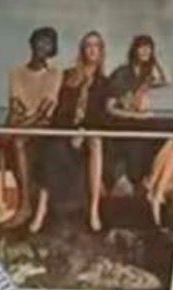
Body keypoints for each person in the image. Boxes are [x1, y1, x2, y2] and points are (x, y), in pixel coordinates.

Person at [30, 30, 108, 233]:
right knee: (51, 149)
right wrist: (71, 130)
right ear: (83, 50)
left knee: (96, 141)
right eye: (88, 45)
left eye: (96, 46)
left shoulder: (104, 83)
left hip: (88, 133)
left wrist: (82, 131)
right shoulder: (67, 76)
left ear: (101, 51)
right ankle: (41, 211)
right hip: (64, 128)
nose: (92, 50)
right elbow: (59, 109)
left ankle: (94, 210)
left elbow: (101, 116)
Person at [104, 35, 173, 225]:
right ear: (134, 49)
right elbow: (110, 108)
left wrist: (156, 60)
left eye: (148, 48)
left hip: (142, 119)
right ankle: (150, 181)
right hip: (125, 121)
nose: (145, 51)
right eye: (142, 47)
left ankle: (156, 191)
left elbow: (167, 79)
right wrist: (134, 115)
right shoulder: (122, 73)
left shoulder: (146, 74)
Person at [3, 26, 61, 227]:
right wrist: (15, 124)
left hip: (42, 126)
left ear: (52, 48)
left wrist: (19, 126)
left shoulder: (54, 73)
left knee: (19, 141)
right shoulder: (16, 72)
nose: (43, 46)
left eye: (48, 43)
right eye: (40, 41)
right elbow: (15, 106)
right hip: (19, 123)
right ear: (32, 43)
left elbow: (44, 111)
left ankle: (25, 204)